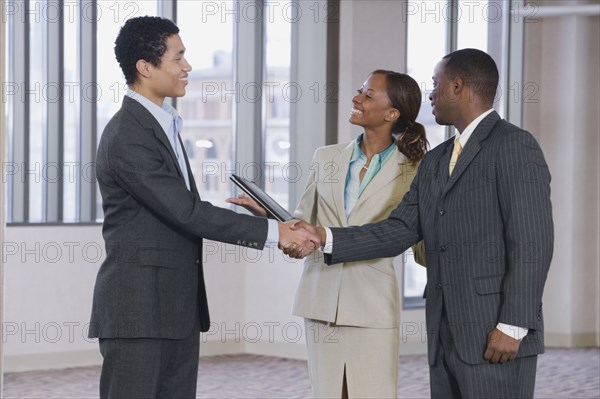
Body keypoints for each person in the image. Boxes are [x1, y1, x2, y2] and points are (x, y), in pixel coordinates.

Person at [293, 49, 554, 398]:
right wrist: (324, 236)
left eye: (436, 84)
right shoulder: (435, 161)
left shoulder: (514, 145)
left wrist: (514, 325)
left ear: (458, 87)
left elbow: (531, 243)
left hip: (497, 331)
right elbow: (399, 229)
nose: (430, 94)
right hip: (444, 334)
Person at [89, 16, 318, 399]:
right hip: (138, 311)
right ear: (145, 68)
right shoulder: (128, 135)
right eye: (178, 58)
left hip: (174, 309)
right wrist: (274, 232)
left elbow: (183, 211)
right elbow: (187, 212)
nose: (187, 67)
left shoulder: (165, 124)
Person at [228, 70, 427, 398]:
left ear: (392, 114)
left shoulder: (415, 169)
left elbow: (404, 233)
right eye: (359, 89)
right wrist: (275, 219)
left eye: (368, 94)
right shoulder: (326, 157)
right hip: (320, 296)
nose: (356, 97)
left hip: (371, 302)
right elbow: (306, 219)